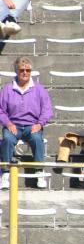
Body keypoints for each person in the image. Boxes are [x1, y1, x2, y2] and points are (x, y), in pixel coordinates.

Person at [0, 56, 52, 189]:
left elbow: (47, 110)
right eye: (22, 70)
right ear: (17, 71)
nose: (25, 73)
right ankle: (5, 172)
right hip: (13, 124)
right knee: (7, 139)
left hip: (32, 125)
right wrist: (8, 123)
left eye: (28, 70)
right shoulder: (7, 89)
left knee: (36, 138)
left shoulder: (39, 89)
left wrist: (40, 124)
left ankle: (39, 170)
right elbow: (1, 110)